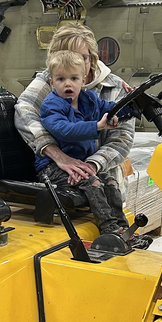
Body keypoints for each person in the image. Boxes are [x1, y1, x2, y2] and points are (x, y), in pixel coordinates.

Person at [14, 23, 134, 191]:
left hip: (106, 183)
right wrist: (57, 155)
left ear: (92, 58)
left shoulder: (116, 87)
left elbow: (122, 139)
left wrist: (91, 166)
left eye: (82, 57)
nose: (75, 62)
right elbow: (24, 111)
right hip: (62, 182)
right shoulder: (51, 80)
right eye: (68, 56)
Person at [35, 49, 131, 235]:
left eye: (74, 79)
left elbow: (113, 109)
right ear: (51, 82)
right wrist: (97, 126)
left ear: (84, 81)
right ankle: (109, 229)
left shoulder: (90, 99)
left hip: (79, 163)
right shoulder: (51, 106)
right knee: (93, 182)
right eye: (61, 79)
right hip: (53, 167)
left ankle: (123, 227)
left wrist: (132, 102)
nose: (68, 84)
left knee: (110, 181)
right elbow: (65, 131)